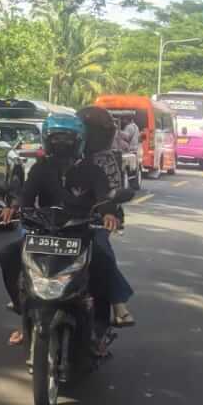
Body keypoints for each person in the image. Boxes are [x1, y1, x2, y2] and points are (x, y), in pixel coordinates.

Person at [0, 113, 126, 346]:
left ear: (79, 142)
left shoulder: (93, 170)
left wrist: (107, 212)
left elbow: (104, 197)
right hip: (46, 232)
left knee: (103, 260)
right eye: (56, 139)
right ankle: (22, 310)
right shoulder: (40, 168)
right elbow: (26, 195)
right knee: (7, 255)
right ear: (48, 140)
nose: (62, 145)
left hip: (80, 233)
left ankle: (100, 325)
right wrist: (14, 207)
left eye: (68, 140)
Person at [77, 105, 136, 328]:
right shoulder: (64, 155)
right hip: (62, 219)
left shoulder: (106, 159)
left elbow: (110, 193)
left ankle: (117, 304)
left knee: (100, 252)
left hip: (95, 219)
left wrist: (108, 212)